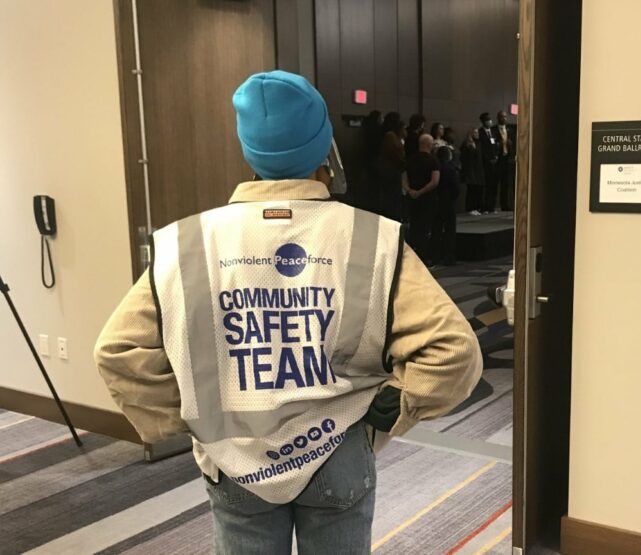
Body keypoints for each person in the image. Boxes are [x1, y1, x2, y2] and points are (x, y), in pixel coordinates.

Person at [93, 71, 482, 555]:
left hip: (235, 460)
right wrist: (384, 414)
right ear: (324, 150)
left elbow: (118, 351)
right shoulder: (369, 239)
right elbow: (454, 353)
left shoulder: (187, 243)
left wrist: (191, 417)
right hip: (337, 450)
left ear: (249, 150)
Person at [403, 133, 440, 263]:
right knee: (426, 227)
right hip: (428, 198)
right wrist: (421, 191)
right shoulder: (433, 160)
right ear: (429, 145)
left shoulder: (410, 159)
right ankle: (424, 257)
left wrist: (410, 191)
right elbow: (435, 181)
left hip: (412, 198)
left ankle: (411, 255)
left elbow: (404, 178)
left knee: (413, 226)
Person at [431, 146, 459, 265]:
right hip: (448, 202)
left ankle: (435, 256)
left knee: (436, 229)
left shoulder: (436, 168)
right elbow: (455, 187)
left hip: (437, 201)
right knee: (449, 230)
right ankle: (449, 257)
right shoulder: (451, 168)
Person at [376, 112, 406, 221]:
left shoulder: (390, 135)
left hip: (390, 170)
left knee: (392, 197)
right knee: (392, 197)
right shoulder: (391, 136)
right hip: (391, 171)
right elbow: (395, 153)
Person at [492, 110, 516, 211]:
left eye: (505, 117)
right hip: (498, 159)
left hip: (507, 159)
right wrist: (498, 144)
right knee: (494, 184)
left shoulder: (510, 129)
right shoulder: (493, 129)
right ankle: (491, 205)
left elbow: (515, 142)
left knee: (505, 184)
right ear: (498, 118)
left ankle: (505, 205)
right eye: (502, 117)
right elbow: (491, 142)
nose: (504, 119)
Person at [478, 112, 499, 213]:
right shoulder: (480, 132)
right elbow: (482, 149)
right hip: (485, 163)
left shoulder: (493, 132)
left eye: (490, 119)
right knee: (486, 186)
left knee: (493, 185)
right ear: (483, 121)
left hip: (494, 162)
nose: (490, 121)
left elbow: (494, 146)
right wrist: (488, 159)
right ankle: (485, 207)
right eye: (487, 119)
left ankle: (492, 206)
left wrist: (496, 156)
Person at [461, 128, 485, 215]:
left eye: (477, 132)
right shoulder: (466, 144)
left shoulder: (478, 143)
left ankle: (477, 207)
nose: (477, 134)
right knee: (471, 190)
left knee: (478, 189)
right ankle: (470, 208)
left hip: (478, 169)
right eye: (475, 132)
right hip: (471, 170)